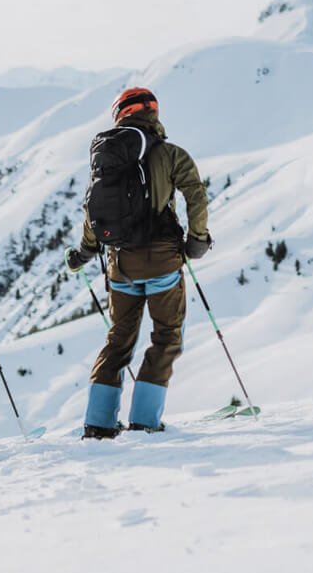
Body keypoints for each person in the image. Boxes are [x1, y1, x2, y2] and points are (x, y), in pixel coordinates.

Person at [66, 87, 211, 438]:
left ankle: (98, 423)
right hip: (162, 262)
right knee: (166, 337)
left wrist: (85, 252)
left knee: (118, 340)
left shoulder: (105, 159)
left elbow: (92, 212)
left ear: (119, 115)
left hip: (120, 266)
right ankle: (145, 421)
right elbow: (195, 195)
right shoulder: (171, 154)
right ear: (154, 114)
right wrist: (197, 241)